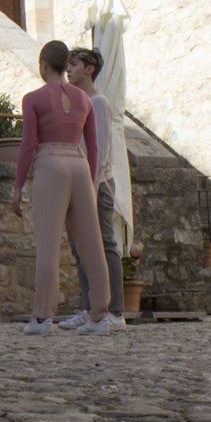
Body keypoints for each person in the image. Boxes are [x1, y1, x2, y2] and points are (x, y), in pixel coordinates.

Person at [11, 40, 110, 336]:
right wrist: (91, 183)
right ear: (64, 63)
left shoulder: (33, 98)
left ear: (43, 65)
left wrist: (17, 186)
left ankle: (43, 318)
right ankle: (100, 314)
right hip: (79, 165)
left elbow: (28, 145)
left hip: (50, 162)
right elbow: (92, 146)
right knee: (92, 244)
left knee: (48, 244)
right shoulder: (84, 99)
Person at [58, 47, 125, 331]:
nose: (68, 70)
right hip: (78, 183)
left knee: (105, 246)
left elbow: (98, 150)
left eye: (73, 64)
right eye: (67, 65)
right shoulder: (77, 103)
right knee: (81, 248)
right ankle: (89, 307)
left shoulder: (98, 102)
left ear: (89, 69)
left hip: (95, 184)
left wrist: (92, 188)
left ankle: (115, 311)